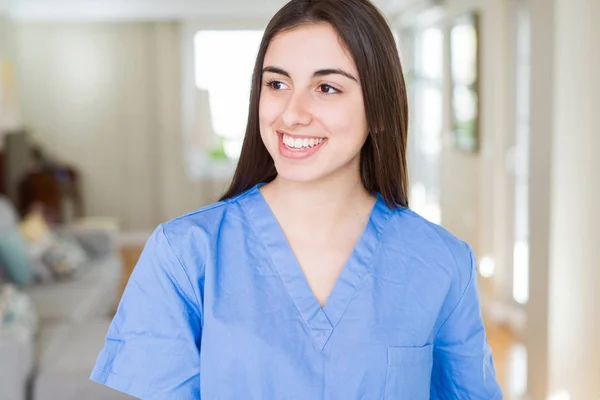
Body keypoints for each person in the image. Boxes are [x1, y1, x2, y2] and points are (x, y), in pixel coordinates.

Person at [90, 0, 502, 398]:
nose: (292, 113)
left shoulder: (442, 263)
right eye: (277, 83)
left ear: (378, 110)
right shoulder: (184, 255)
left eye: (326, 87)